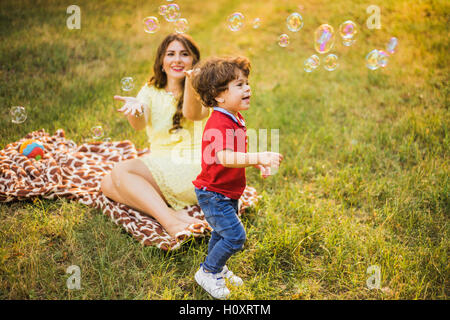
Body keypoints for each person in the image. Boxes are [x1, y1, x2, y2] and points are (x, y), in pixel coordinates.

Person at [189, 56, 284, 299]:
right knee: (235, 236)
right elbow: (225, 158)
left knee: (221, 233)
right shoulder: (218, 123)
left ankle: (217, 267)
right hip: (213, 194)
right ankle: (208, 272)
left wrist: (257, 163)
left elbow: (238, 155)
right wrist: (259, 156)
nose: (248, 88)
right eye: (239, 85)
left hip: (226, 191)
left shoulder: (234, 117)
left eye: (247, 83)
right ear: (219, 95)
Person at [100, 33, 211, 239]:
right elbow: (139, 125)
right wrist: (137, 111)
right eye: (170, 54)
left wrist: (192, 82)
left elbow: (192, 114)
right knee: (107, 182)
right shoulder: (150, 90)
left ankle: (170, 223)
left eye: (184, 54)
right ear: (162, 62)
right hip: (161, 163)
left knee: (122, 171)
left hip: (193, 165)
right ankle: (171, 212)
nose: (177, 59)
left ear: (193, 61)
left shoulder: (201, 91)